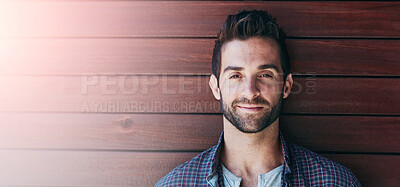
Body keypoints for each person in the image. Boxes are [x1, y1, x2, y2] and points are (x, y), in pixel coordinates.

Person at [155, 10, 361, 187]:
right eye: (235, 76)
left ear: (286, 86)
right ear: (216, 87)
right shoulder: (174, 184)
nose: (250, 91)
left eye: (265, 75)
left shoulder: (335, 182)